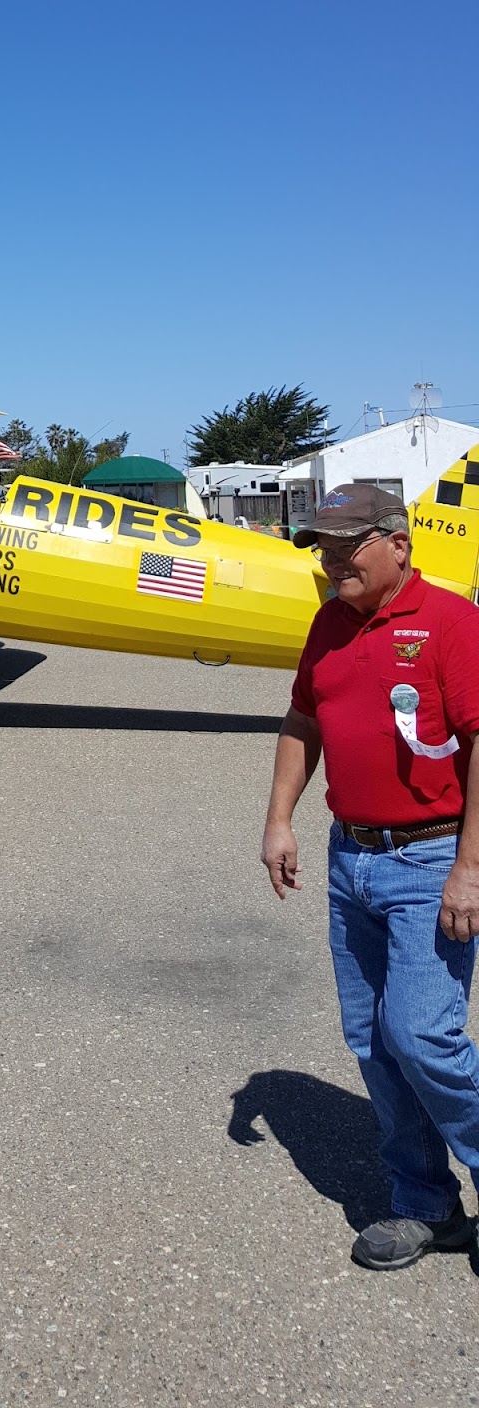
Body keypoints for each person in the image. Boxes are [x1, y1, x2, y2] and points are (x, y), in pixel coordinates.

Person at [261, 482, 479, 1272]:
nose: (329, 563)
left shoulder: (452, 623)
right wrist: (280, 817)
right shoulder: (328, 623)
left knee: (423, 1034)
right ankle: (426, 1205)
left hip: (432, 857)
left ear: (399, 545)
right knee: (374, 1041)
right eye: (321, 548)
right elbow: (303, 718)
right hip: (350, 854)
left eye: (345, 548)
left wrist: (471, 868)